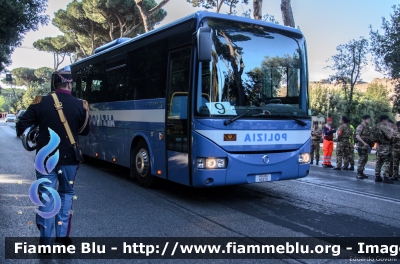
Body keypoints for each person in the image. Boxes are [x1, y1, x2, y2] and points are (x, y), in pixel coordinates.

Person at [16, 69, 89, 246]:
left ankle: (45, 242)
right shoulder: (81, 104)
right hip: (70, 159)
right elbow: (84, 131)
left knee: (47, 196)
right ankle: (62, 237)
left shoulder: (39, 100)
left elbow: (21, 125)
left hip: (45, 159)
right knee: (66, 194)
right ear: (70, 84)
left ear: (54, 84)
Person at [374, 115, 394, 183]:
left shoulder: (376, 126)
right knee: (386, 162)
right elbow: (389, 137)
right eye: (386, 120)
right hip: (385, 147)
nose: (387, 121)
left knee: (379, 162)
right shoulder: (383, 127)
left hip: (379, 146)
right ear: (383, 120)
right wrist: (392, 131)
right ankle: (386, 177)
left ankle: (377, 176)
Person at [355, 115, 372, 179]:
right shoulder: (360, 127)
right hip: (361, 146)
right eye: (368, 119)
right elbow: (357, 136)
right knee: (362, 159)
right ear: (364, 119)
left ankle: (361, 172)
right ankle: (359, 172)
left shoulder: (367, 127)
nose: (369, 120)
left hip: (366, 146)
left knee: (365, 159)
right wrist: (364, 143)